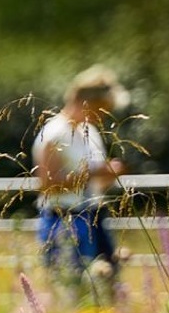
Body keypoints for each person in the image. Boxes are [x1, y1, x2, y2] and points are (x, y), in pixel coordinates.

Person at [33, 66, 130, 274]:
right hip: (64, 221)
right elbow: (48, 185)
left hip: (95, 217)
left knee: (107, 286)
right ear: (86, 102)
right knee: (73, 289)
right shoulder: (53, 133)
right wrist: (95, 173)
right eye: (101, 108)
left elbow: (96, 184)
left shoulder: (91, 132)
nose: (103, 116)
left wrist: (108, 174)